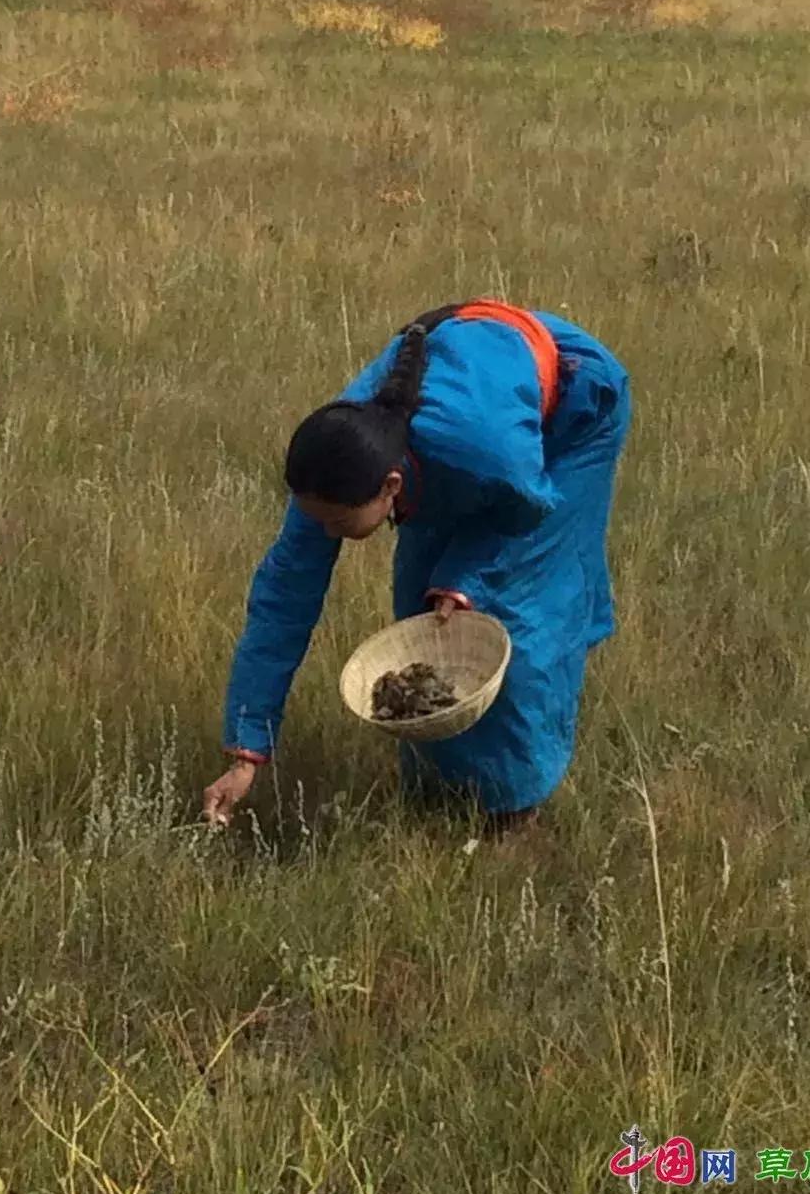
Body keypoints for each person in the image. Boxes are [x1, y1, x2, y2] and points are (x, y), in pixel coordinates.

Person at [202, 299, 631, 836]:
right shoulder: (333, 467)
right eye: (321, 521)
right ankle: (436, 789)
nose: (327, 534)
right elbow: (282, 600)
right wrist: (248, 752)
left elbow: (524, 512)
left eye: (339, 524)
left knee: (520, 617)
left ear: (391, 488)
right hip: (463, 413)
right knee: (422, 609)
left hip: (570, 412)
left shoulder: (489, 454)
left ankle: (514, 813)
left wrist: (466, 578)